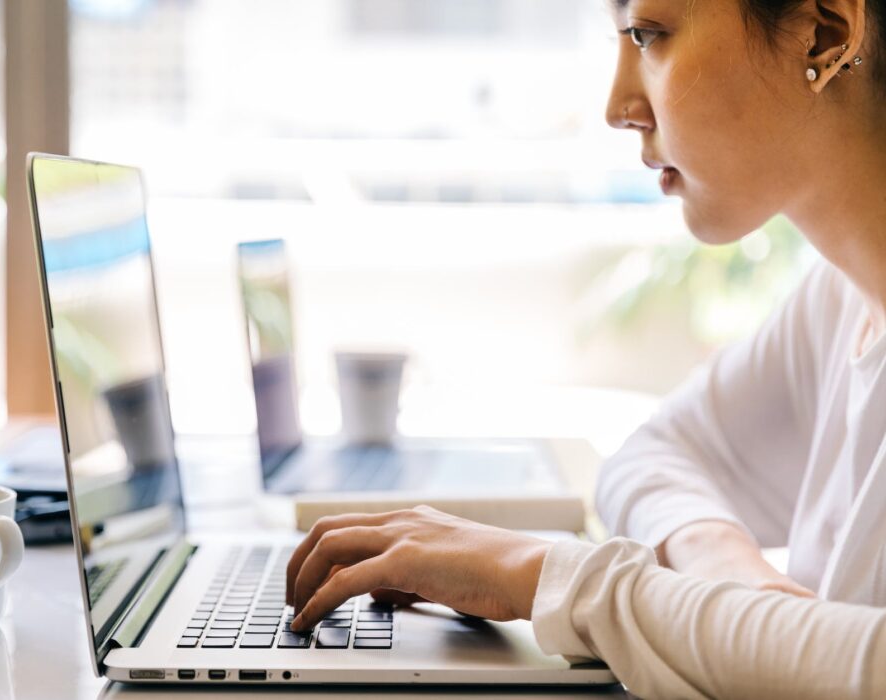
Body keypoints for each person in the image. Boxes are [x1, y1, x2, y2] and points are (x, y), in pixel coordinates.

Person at [284, 0, 886, 697]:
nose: (617, 105)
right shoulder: (841, 300)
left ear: (826, 33)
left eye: (650, 34)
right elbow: (653, 455)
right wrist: (736, 588)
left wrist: (544, 579)